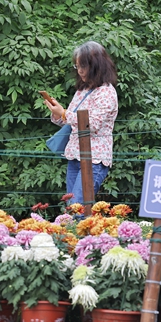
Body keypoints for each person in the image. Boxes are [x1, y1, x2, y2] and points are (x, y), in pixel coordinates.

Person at [43, 41, 119, 205]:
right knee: (72, 209)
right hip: (75, 155)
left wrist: (63, 113)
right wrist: (57, 113)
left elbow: (93, 124)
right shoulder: (82, 90)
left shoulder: (106, 92)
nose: (80, 70)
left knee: (78, 207)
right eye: (77, 66)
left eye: (84, 65)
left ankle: (88, 231)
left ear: (97, 65)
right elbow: (70, 121)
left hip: (95, 158)